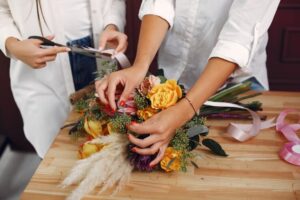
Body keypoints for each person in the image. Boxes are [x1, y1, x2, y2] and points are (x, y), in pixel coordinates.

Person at [95, 0, 280, 167]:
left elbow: (238, 38)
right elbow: (160, 3)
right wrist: (140, 66)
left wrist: (186, 109)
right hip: (173, 76)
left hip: (237, 86)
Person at [0, 0, 127, 158]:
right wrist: (12, 45)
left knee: (107, 151)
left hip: (98, 54)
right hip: (43, 72)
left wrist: (112, 25)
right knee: (56, 158)